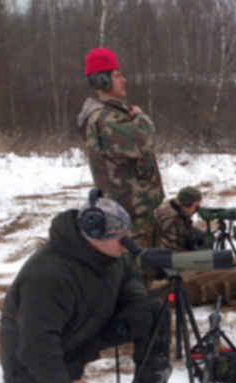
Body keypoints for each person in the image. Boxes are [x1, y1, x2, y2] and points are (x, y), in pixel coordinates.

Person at [0, 193, 192, 383]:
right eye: (118, 236)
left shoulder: (111, 255)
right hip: (33, 360)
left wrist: (136, 310)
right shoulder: (48, 275)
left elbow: (130, 283)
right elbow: (35, 346)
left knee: (152, 311)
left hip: (80, 334)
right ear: (93, 235)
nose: (126, 242)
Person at [78, 47, 164, 248]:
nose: (124, 80)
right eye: (117, 76)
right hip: (131, 219)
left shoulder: (111, 114)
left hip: (134, 213)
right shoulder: (106, 118)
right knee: (138, 275)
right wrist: (141, 117)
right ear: (102, 80)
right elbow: (146, 141)